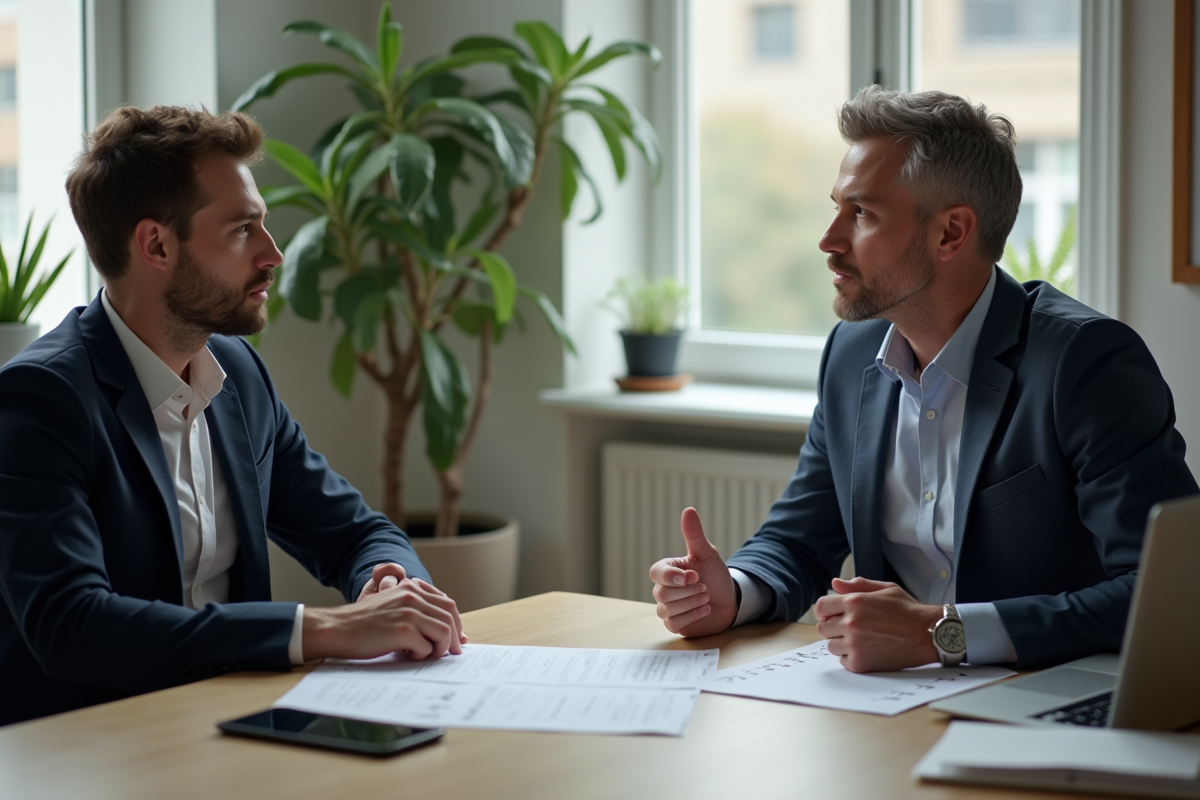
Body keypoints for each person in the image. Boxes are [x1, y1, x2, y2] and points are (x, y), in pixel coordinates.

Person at [649, 87, 1198, 673]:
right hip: (892, 704)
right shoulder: (851, 353)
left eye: (861, 213)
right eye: (835, 207)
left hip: (1048, 694)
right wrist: (728, 593)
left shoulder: (1085, 363)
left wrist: (943, 633)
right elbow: (799, 541)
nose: (828, 240)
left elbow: (1169, 591)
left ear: (950, 234)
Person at [0, 106, 466, 726]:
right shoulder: (41, 398)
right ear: (156, 244)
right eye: (243, 230)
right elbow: (73, 624)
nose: (273, 254)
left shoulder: (238, 374)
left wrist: (388, 584)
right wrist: (324, 628)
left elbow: (355, 532)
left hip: (234, 723)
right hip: (91, 745)